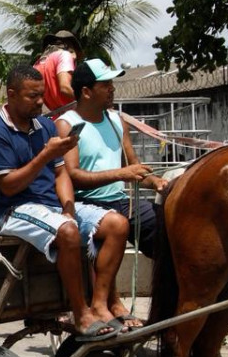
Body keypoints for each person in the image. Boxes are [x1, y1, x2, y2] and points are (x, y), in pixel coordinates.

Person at [0, 64, 133, 339]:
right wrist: (44, 156)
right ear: (11, 94)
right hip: (14, 210)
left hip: (50, 206)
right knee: (67, 231)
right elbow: (9, 186)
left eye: (42, 95)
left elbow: (62, 174)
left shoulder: (45, 125)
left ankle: (101, 304)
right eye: (32, 96)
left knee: (117, 224)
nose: (40, 102)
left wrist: (69, 207)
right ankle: (81, 314)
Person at [55, 58, 167, 259]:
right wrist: (121, 174)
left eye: (111, 84)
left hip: (122, 201)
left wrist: (157, 182)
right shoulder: (66, 124)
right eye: (105, 85)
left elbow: (133, 167)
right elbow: (72, 176)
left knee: (168, 227)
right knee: (102, 256)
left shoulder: (117, 121)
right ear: (86, 92)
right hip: (85, 203)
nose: (112, 89)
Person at [33, 30, 83, 113]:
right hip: (72, 116)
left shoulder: (37, 64)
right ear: (70, 47)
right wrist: (87, 100)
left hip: (56, 117)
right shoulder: (64, 55)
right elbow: (65, 88)